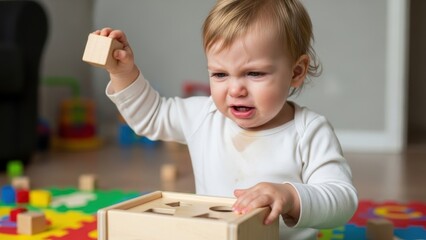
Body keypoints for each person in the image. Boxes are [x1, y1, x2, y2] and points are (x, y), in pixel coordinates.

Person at [93, 0, 358, 239]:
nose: (235, 90)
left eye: (254, 73)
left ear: (296, 72)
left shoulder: (310, 131)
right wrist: (123, 74)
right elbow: (151, 116)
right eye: (220, 75)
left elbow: (342, 199)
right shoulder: (204, 116)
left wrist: (290, 196)